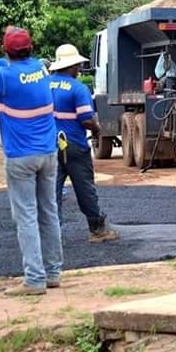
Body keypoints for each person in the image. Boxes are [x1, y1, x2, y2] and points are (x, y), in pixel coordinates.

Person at [0, 26, 63, 295]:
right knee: (48, 212)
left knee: (26, 216)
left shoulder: (2, 78)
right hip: (48, 155)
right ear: (31, 48)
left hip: (20, 158)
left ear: (6, 50)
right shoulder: (39, 68)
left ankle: (34, 279)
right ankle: (52, 273)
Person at [49, 44, 118, 243]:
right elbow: (86, 119)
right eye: (78, 65)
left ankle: (52, 235)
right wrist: (97, 130)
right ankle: (97, 230)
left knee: (51, 191)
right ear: (71, 66)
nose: (79, 69)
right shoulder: (78, 89)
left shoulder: (44, 84)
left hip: (49, 145)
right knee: (84, 188)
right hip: (74, 146)